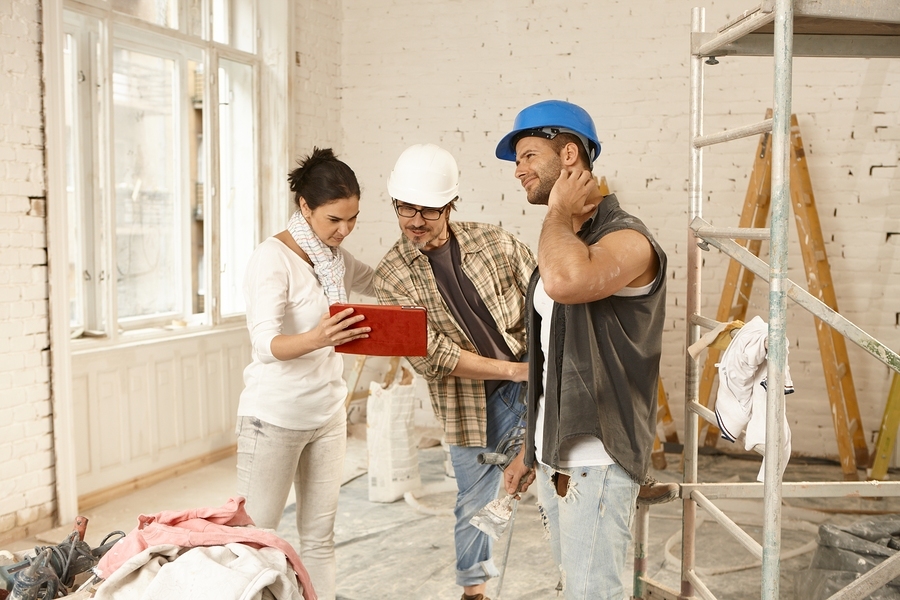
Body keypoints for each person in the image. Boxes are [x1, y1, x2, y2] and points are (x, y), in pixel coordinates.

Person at [498, 100, 671, 599]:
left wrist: (556, 212)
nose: (519, 171)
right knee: (576, 588)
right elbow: (552, 362)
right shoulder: (567, 238)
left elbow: (567, 281)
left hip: (598, 459)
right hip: (560, 456)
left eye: (528, 155)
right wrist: (532, 449)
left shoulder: (628, 238)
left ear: (569, 154)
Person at [374, 143, 536, 600]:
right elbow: (434, 356)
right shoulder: (392, 275)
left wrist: (539, 371)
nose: (415, 221)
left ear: (450, 205)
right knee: (473, 502)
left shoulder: (495, 243)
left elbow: (546, 303)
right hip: (472, 401)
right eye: (406, 208)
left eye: (428, 210)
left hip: (538, 381)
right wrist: (513, 372)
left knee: (564, 478)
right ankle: (474, 591)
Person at [236, 147, 375, 600]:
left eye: (353, 218)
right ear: (304, 207)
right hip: (274, 418)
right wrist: (318, 337)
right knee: (256, 538)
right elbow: (264, 343)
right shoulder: (272, 259)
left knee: (319, 537)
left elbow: (378, 280)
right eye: (335, 219)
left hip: (327, 413)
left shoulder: (335, 258)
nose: (345, 229)